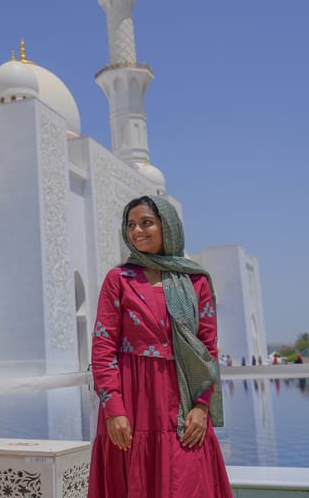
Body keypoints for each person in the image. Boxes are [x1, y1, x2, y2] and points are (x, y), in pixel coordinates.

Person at [88, 195, 231, 498]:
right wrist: (114, 409)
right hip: (133, 401)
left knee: (187, 482)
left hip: (181, 405)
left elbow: (207, 349)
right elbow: (103, 347)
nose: (137, 231)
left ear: (167, 226)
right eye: (131, 225)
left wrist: (202, 407)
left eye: (146, 223)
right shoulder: (119, 279)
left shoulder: (195, 282)